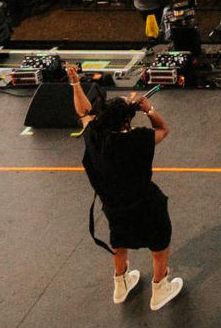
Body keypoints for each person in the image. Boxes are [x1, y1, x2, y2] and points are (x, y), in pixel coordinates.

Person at [66, 62, 179, 309]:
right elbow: (163, 129)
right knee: (159, 241)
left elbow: (84, 112)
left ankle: (121, 282)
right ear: (127, 121)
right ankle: (160, 287)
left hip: (114, 205)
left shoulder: (95, 136)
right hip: (145, 203)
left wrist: (75, 83)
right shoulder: (139, 139)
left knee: (119, 239)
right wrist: (148, 109)